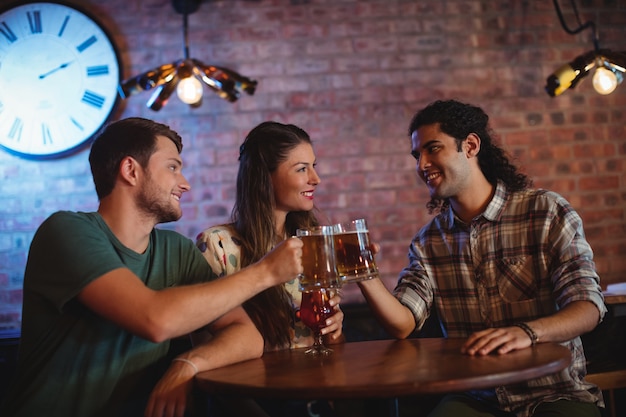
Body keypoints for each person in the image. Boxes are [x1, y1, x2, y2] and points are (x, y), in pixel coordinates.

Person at [0, 117, 303, 417]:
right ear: (131, 170)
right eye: (173, 167)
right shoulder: (67, 232)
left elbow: (248, 336)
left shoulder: (176, 250)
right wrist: (265, 272)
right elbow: (154, 319)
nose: (184, 183)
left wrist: (188, 363)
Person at [358, 100, 607, 417]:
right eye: (417, 155)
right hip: (475, 399)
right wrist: (365, 273)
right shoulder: (428, 241)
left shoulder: (545, 212)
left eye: (433, 149)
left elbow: (588, 307)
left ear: (471, 145)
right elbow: (403, 323)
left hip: (554, 394)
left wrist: (527, 332)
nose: (422, 165)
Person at [193, 121, 344, 416]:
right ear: (265, 177)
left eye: (314, 166)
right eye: (302, 169)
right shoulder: (218, 245)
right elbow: (203, 351)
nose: (316, 178)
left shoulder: (313, 243)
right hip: (249, 403)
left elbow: (332, 349)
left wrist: (336, 328)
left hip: (314, 398)